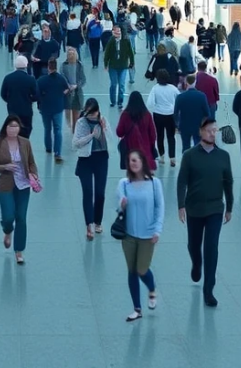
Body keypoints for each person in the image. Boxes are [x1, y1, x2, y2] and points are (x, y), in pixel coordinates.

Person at [177, 118, 233, 307]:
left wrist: (230, 207)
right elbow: (182, 181)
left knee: (211, 247)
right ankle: (196, 263)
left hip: (215, 209)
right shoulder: (190, 155)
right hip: (194, 208)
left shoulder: (223, 156)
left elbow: (228, 182)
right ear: (200, 131)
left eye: (215, 130)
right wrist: (181, 205)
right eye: (209, 130)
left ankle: (208, 289)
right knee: (194, 245)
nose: (212, 133)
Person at [117, 149, 164, 322]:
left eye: (135, 160)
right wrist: (121, 205)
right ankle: (137, 308)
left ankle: (152, 289)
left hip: (147, 235)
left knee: (141, 269)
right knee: (131, 271)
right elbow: (119, 206)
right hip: (128, 236)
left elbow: (160, 207)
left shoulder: (154, 184)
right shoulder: (124, 183)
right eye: (130, 161)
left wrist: (157, 229)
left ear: (143, 162)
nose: (133, 163)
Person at [0, 115, 38, 264]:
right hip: (6, 185)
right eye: (10, 126)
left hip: (23, 185)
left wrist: (33, 174)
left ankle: (19, 250)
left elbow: (31, 162)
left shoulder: (25, 143)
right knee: (8, 216)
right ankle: (7, 230)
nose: (13, 129)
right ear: (5, 128)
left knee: (21, 217)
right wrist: (4, 167)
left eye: (16, 126)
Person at [72, 98, 109, 240]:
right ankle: (89, 224)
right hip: (86, 160)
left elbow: (111, 141)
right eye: (90, 114)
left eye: (95, 114)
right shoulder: (81, 123)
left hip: (101, 158)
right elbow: (75, 143)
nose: (93, 117)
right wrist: (91, 136)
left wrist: (104, 130)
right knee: (88, 192)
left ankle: (98, 221)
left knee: (100, 193)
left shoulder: (102, 120)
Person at [36, 58, 69, 163]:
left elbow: (37, 94)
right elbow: (67, 89)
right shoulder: (61, 79)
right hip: (58, 108)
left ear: (48, 67)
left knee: (47, 129)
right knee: (58, 130)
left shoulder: (41, 80)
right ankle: (57, 152)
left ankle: (48, 148)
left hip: (45, 108)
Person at [146, 68, 180, 168]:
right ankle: (172, 158)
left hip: (158, 114)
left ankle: (161, 156)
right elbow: (179, 98)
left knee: (160, 136)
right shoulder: (173, 88)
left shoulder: (155, 88)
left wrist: (155, 107)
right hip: (170, 114)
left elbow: (150, 103)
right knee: (171, 136)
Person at [116, 91, 157, 173]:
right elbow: (153, 135)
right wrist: (152, 146)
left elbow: (119, 132)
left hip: (130, 149)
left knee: (133, 174)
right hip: (145, 149)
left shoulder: (125, 115)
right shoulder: (147, 114)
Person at [175, 75, 212, 152]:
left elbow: (175, 113)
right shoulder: (202, 96)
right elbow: (207, 113)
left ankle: (186, 162)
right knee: (198, 146)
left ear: (186, 83)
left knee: (185, 146)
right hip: (198, 126)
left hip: (184, 126)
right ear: (195, 83)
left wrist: (177, 126)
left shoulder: (180, 97)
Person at [103, 26, 136, 108]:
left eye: (119, 31)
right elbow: (107, 53)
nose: (117, 33)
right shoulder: (111, 40)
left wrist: (132, 63)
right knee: (113, 84)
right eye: (115, 32)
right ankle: (113, 101)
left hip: (123, 66)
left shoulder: (126, 40)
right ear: (113, 32)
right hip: (113, 66)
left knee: (121, 84)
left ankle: (120, 102)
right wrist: (106, 64)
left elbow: (131, 52)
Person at [61, 47, 86, 132]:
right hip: (67, 93)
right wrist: (68, 86)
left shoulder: (80, 65)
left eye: (73, 54)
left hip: (77, 93)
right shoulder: (64, 65)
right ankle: (71, 126)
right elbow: (62, 77)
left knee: (77, 115)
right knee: (68, 113)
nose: (71, 55)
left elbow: (83, 79)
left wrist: (76, 86)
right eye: (69, 54)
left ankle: (75, 132)